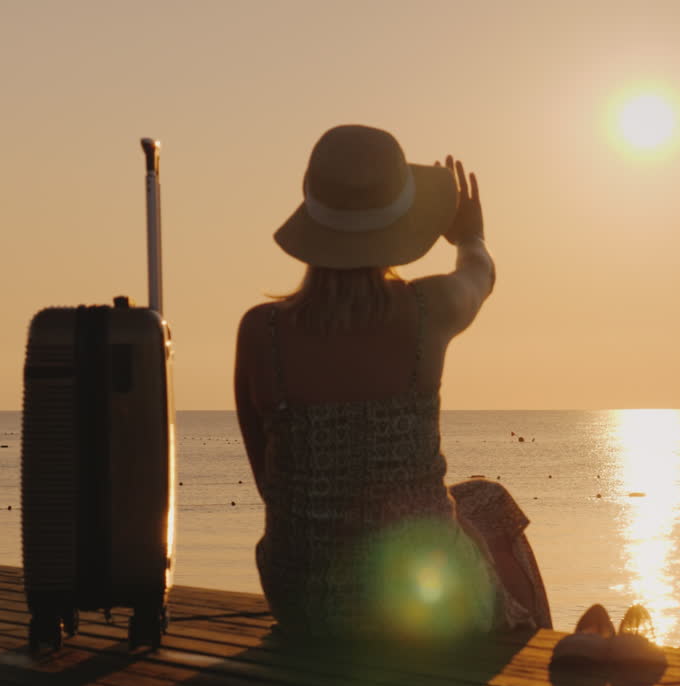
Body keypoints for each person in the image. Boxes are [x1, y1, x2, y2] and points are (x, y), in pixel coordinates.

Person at [234, 125, 552, 641]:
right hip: (416, 604)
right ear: (400, 220)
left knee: (461, 512)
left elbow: (271, 483)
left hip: (304, 598)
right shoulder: (427, 311)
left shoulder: (260, 332)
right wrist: (470, 235)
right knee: (488, 502)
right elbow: (480, 275)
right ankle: (530, 647)